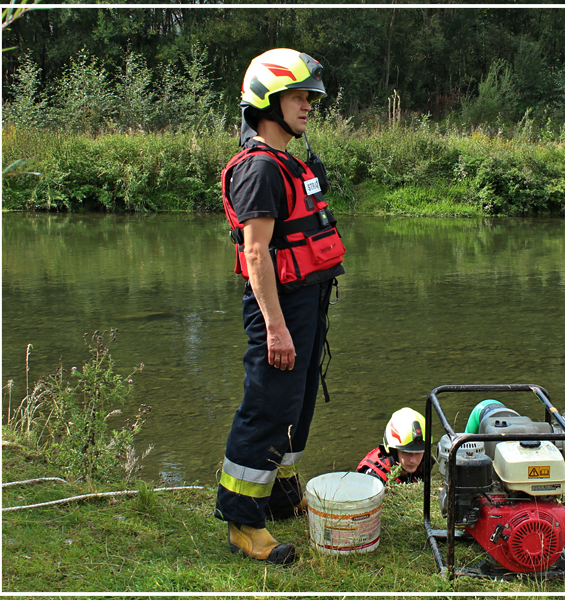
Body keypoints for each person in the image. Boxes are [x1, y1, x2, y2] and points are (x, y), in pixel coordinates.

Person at [214, 48, 345, 565]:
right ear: (267, 100)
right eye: (298, 95)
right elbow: (256, 252)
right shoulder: (260, 170)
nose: (308, 104)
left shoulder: (292, 163)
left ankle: (282, 493)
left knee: (298, 401)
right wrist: (275, 328)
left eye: (310, 96)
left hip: (306, 300)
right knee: (268, 406)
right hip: (279, 308)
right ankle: (244, 522)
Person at [357, 407, 428, 484]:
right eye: (407, 453)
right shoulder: (373, 476)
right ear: (393, 451)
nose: (413, 460)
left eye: (418, 453)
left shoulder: (424, 462)